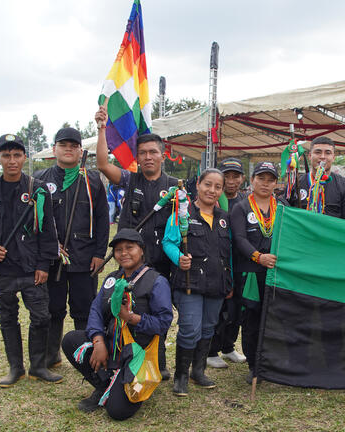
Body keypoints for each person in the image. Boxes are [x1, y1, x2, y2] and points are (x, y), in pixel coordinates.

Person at [0, 133, 61, 387]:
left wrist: (44, 265)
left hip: (31, 267)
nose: (12, 161)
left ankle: (38, 366)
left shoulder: (38, 189)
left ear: (24, 158)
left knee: (41, 317)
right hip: (2, 269)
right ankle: (15, 368)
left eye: (17, 155)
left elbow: (48, 231)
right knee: (8, 316)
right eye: (6, 155)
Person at [95, 106, 178, 379]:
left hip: (161, 265)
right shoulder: (130, 179)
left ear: (162, 155)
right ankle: (123, 355)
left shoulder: (176, 186)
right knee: (125, 309)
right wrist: (102, 128)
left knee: (158, 314)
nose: (148, 157)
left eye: (153, 152)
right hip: (130, 261)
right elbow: (103, 165)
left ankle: (158, 362)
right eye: (142, 153)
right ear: (137, 157)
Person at [61, 229, 173, 420]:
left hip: (139, 354)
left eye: (130, 248)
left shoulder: (157, 281)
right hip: (112, 346)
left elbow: (163, 323)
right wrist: (98, 342)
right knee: (71, 340)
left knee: (118, 411)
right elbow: (96, 310)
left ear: (142, 250)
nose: (124, 253)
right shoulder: (113, 278)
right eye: (118, 249)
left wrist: (130, 317)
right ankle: (104, 384)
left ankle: (128, 384)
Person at [33, 127, 109, 369]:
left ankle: (84, 355)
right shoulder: (40, 179)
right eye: (63, 145)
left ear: (79, 151)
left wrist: (99, 253)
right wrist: (49, 247)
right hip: (52, 258)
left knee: (84, 309)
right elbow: (35, 220)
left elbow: (102, 219)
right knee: (53, 308)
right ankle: (51, 354)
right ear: (54, 149)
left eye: (73, 146)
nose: (68, 149)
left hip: (85, 258)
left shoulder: (93, 179)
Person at [162, 169, 232, 396]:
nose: (212, 190)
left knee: (208, 328)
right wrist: (178, 258)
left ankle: (198, 371)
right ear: (198, 185)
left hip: (216, 284)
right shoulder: (182, 212)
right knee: (190, 329)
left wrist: (228, 281)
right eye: (207, 185)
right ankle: (180, 376)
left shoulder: (224, 218)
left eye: (217, 187)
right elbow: (168, 242)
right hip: (189, 281)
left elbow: (228, 253)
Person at [230, 162, 286, 383]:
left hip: (276, 273)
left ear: (276, 183)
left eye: (270, 179)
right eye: (261, 178)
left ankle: (272, 363)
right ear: (252, 180)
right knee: (252, 320)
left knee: (274, 318)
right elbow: (240, 239)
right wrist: (258, 256)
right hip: (251, 272)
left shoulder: (281, 205)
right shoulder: (241, 208)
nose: (265, 183)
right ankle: (254, 366)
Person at [207, 158, 248, 369]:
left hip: (241, 262)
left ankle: (229, 346)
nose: (231, 181)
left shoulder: (246, 201)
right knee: (219, 308)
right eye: (227, 176)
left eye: (236, 176)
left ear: (242, 178)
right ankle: (211, 350)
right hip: (218, 263)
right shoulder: (212, 199)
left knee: (237, 309)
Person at [296, 137, 345, 220]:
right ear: (310, 156)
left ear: (333, 157)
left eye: (328, 153)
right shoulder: (297, 183)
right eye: (318, 152)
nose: (322, 156)